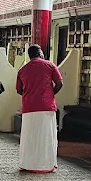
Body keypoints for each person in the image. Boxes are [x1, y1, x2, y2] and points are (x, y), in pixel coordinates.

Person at [16, 45, 63, 173]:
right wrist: (50, 94)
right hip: (46, 106)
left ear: (29, 56)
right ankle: (47, 164)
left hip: (29, 107)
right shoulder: (50, 65)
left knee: (29, 136)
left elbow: (19, 89)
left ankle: (28, 163)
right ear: (40, 53)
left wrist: (30, 95)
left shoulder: (22, 70)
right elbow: (60, 83)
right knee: (46, 135)